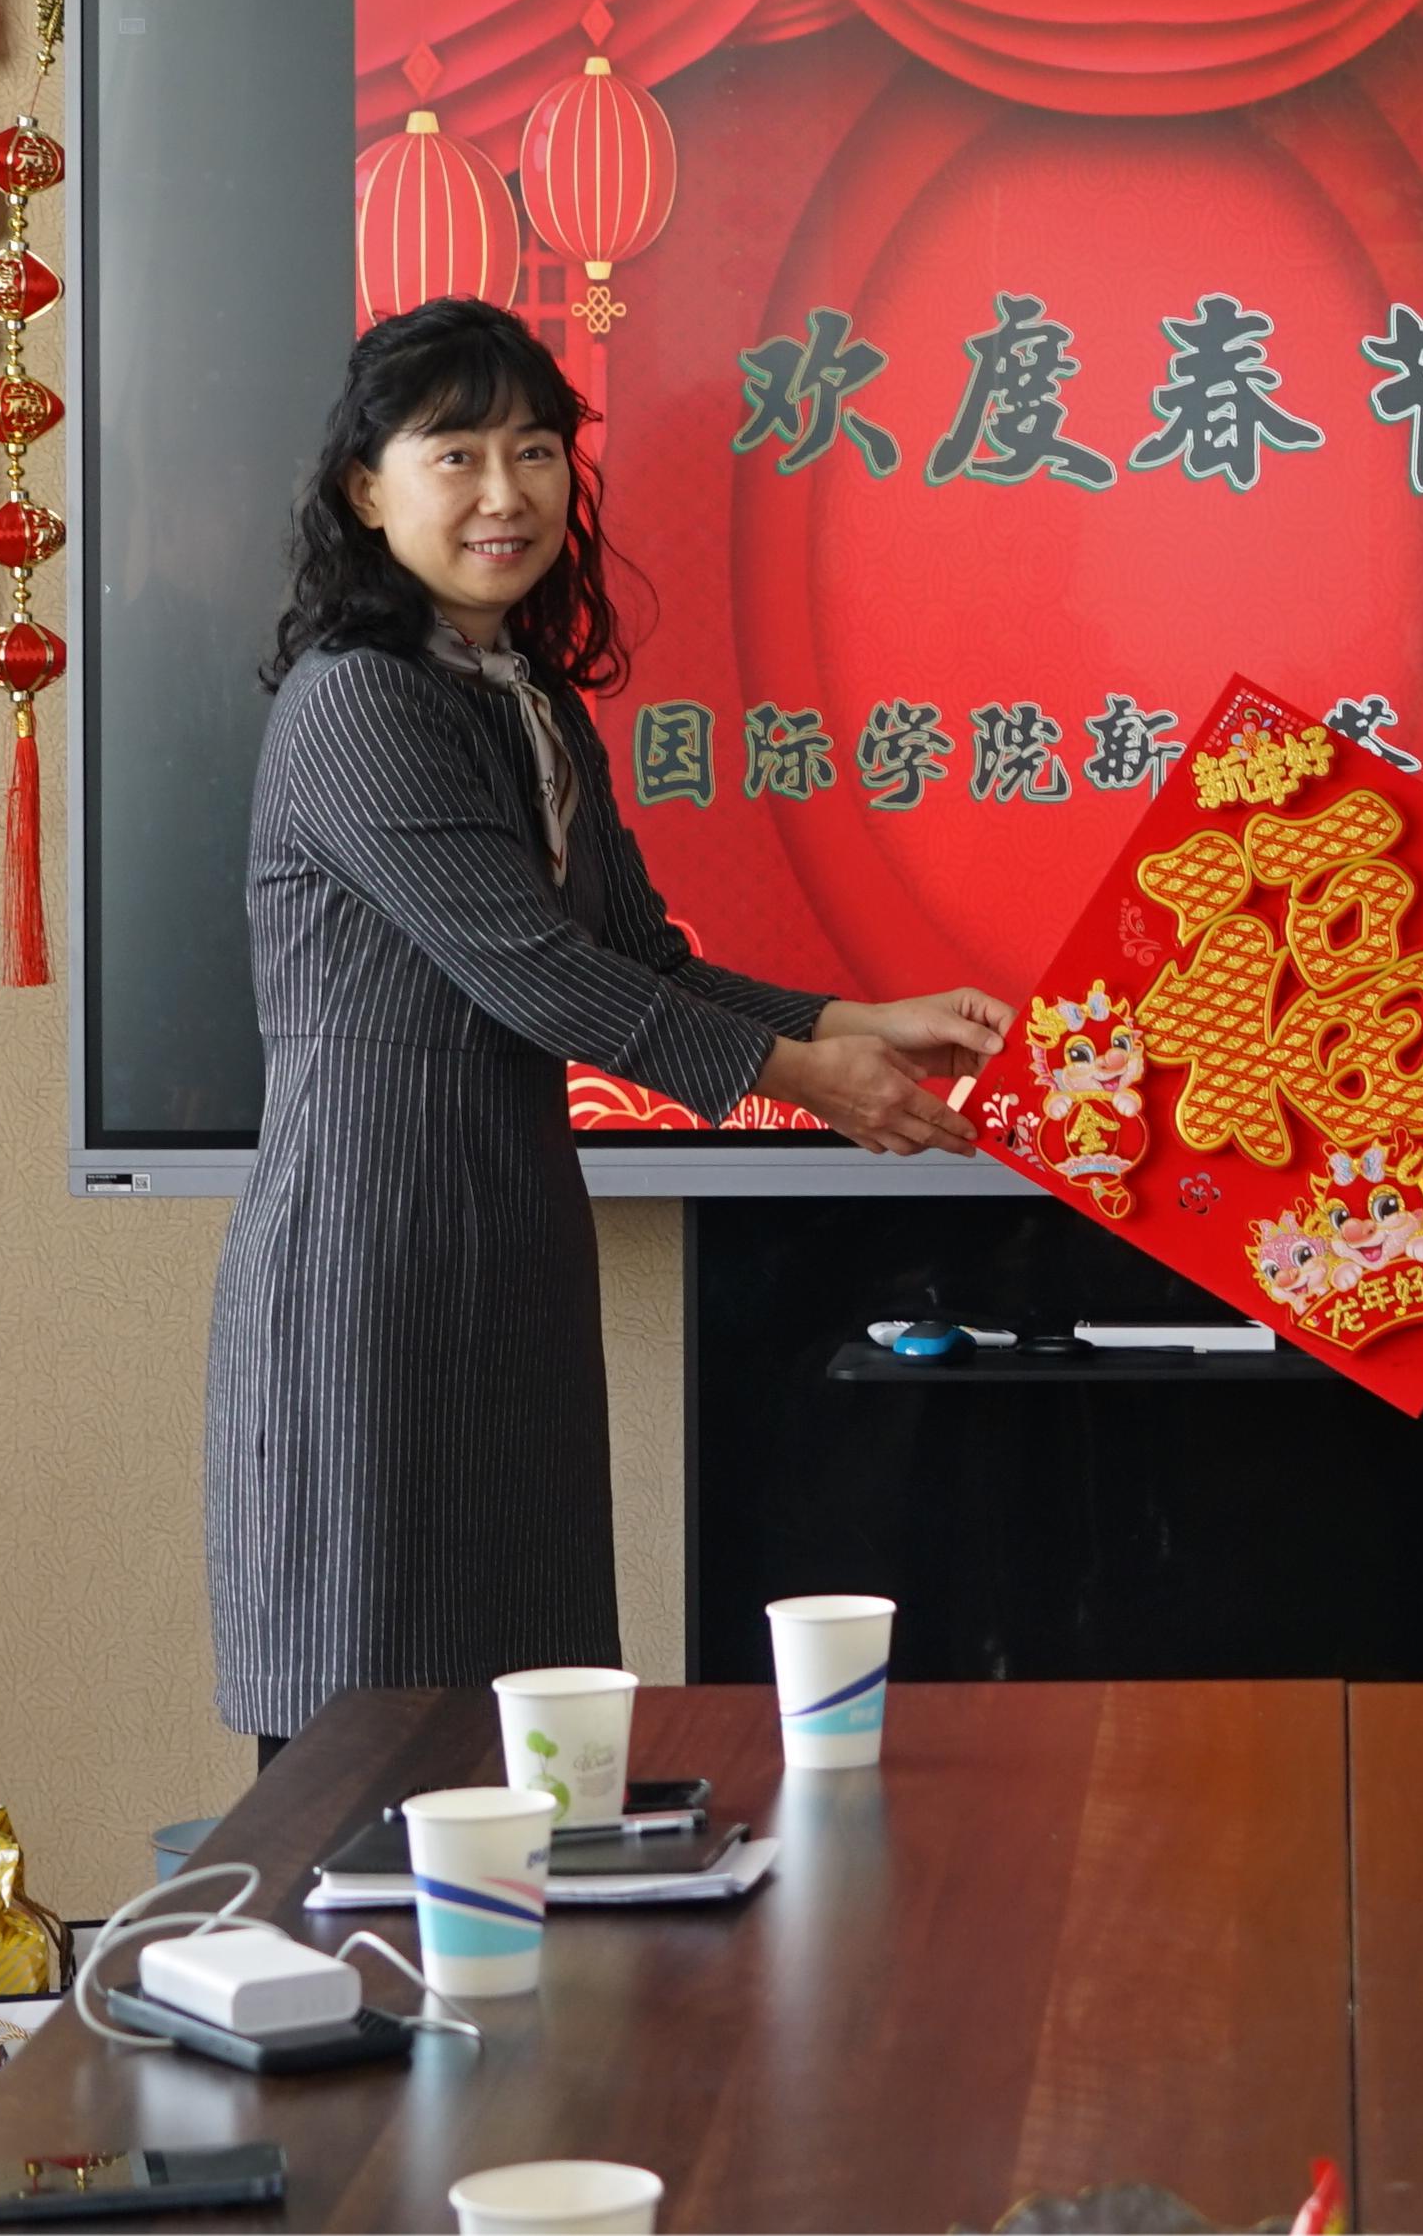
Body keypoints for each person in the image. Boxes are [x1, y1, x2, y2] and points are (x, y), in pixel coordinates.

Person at [204, 297, 1006, 1756]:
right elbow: (536, 973)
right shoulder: (358, 704)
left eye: (534, 450)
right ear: (366, 490)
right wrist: (809, 1079)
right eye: (455, 454)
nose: (504, 493)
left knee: (525, 1695)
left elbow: (634, 956)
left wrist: (858, 1018)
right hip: (369, 1248)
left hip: (510, 1231)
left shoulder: (527, 698)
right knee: (366, 1706)